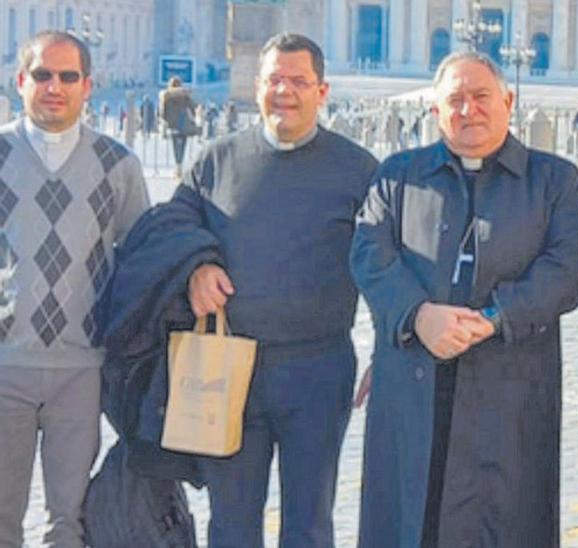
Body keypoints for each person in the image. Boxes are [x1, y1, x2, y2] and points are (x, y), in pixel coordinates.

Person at [352, 51, 578, 548]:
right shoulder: (398, 175)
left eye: (481, 97)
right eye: (454, 100)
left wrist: (493, 317)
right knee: (409, 521)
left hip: (509, 388)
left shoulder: (554, 181)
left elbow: (565, 272)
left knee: (503, 523)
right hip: (415, 384)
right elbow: (369, 255)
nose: (468, 110)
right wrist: (417, 316)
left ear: (508, 100)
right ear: (435, 111)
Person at [162, 33, 379, 547]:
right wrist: (197, 266)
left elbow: (385, 261)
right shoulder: (214, 161)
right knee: (232, 523)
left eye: (298, 81)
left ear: (322, 91)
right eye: (274, 79)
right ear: (257, 87)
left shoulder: (360, 169)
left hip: (319, 369)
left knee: (309, 521)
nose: (285, 91)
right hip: (228, 367)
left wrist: (389, 348)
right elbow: (172, 228)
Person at [0, 30, 150, 547]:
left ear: (88, 85)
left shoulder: (119, 164)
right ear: (21, 81)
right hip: (5, 367)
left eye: (68, 76)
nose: (54, 87)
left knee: (69, 522)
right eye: (42, 75)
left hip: (81, 370)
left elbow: (141, 259)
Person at [159, 76, 197, 176]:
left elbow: (163, 113)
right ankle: (180, 165)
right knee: (183, 146)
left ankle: (177, 166)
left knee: (175, 146)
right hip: (184, 125)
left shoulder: (166, 96)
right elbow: (193, 107)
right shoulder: (185, 95)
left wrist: (166, 120)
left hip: (173, 125)